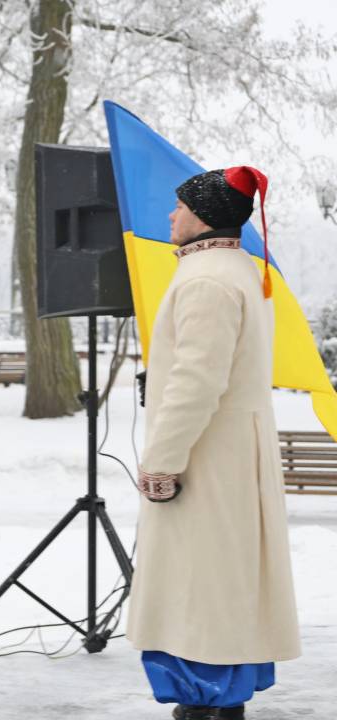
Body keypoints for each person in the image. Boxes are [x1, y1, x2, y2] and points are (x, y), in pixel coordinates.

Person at [128, 166, 300, 720]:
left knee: (198, 588)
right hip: (230, 451)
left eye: (179, 207)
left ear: (202, 216)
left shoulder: (206, 279)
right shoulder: (237, 268)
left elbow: (198, 382)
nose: (170, 216)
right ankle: (222, 702)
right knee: (224, 583)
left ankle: (204, 702)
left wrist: (163, 460)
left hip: (207, 458)